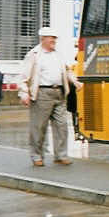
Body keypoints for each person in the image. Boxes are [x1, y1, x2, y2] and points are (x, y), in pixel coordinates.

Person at [19, 27, 82, 167]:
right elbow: (24, 76)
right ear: (43, 39)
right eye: (51, 38)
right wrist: (24, 92)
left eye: (55, 38)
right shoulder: (34, 54)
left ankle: (61, 155)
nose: (54, 40)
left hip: (59, 92)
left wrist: (74, 81)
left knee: (62, 125)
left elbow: (67, 70)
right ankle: (37, 156)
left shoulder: (58, 54)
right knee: (39, 127)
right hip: (42, 93)